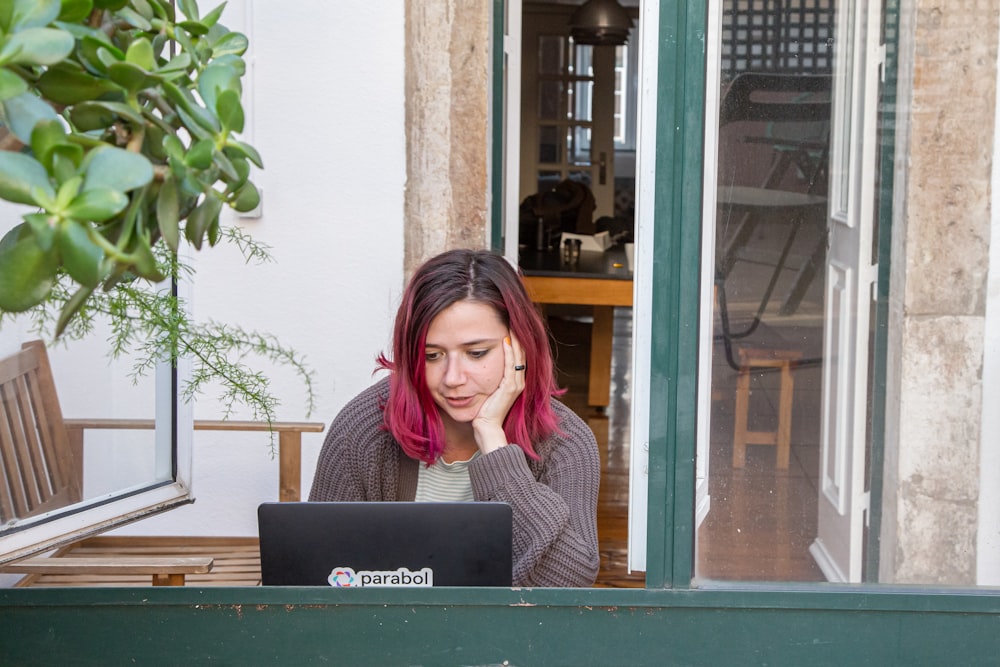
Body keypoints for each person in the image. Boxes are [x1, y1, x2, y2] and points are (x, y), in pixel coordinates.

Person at [309, 248, 601, 587]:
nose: (452, 378)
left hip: (508, 636)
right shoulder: (362, 430)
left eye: (476, 353)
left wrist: (495, 445)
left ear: (520, 346)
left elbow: (570, 585)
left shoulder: (564, 442)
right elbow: (320, 574)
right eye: (431, 356)